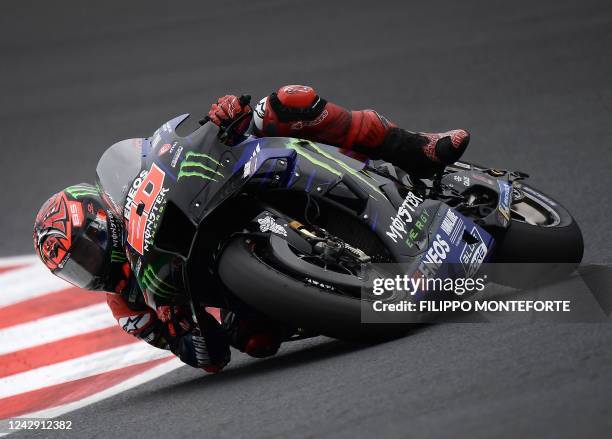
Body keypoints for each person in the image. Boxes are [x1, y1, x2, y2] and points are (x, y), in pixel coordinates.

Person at [33, 85, 470, 373]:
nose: (91, 267)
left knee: (287, 101)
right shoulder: (127, 305)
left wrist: (221, 120)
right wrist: (180, 328)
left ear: (101, 215)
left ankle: (416, 149)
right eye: (78, 270)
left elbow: (165, 152)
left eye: (88, 251)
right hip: (232, 288)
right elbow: (210, 359)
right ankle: (336, 291)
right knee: (256, 341)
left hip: (215, 189)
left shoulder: (135, 194)